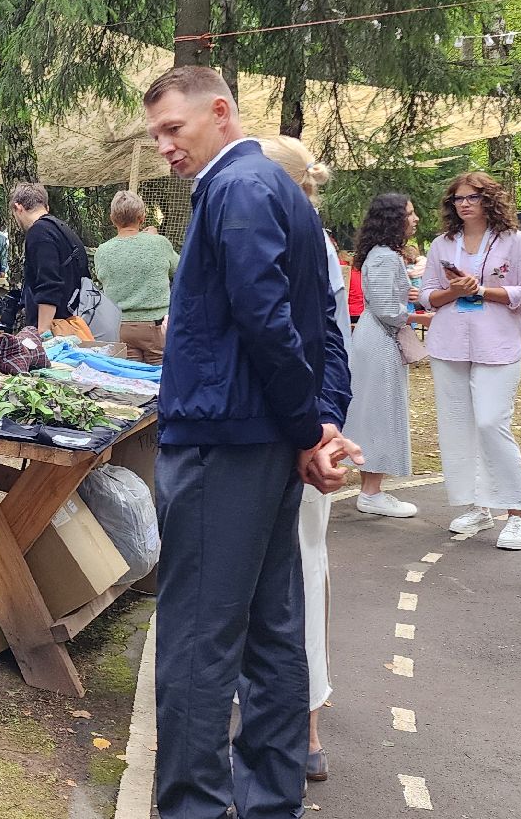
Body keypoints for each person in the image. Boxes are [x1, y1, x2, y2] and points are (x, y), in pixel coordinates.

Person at [141, 67, 356, 819]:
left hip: (225, 443)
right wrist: (319, 422)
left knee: (199, 638)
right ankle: (269, 799)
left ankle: (195, 806)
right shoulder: (280, 191)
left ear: (221, 112)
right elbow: (321, 323)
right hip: (258, 438)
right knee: (272, 630)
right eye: (157, 135)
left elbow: (272, 320)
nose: (165, 147)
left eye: (174, 128)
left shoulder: (235, 190)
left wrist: (309, 426)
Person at [255, 134, 353, 781]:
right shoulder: (305, 235)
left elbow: (317, 346)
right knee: (289, 570)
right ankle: (290, 711)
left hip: (292, 437)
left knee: (298, 568)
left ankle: (307, 720)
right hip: (295, 430)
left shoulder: (298, 239)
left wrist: (316, 429)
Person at [418, 172, 521, 550]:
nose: (465, 204)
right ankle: (477, 506)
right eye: (458, 199)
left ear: (490, 200)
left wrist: (483, 290)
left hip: (497, 345)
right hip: (449, 344)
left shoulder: (514, 241)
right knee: (458, 427)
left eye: (473, 197)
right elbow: (426, 297)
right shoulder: (443, 244)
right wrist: (450, 291)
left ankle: (518, 513)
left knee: (491, 423)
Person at [345, 193, 431, 518]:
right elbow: (385, 308)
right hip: (379, 341)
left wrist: (406, 294)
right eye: (409, 213)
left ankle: (373, 488)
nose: (415, 218)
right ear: (394, 219)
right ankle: (371, 492)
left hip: (377, 338)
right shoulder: (385, 257)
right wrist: (420, 317)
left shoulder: (382, 255)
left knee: (378, 411)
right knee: (380, 413)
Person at [93, 189, 178, 365]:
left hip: (121, 327)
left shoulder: (103, 251)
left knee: (131, 379)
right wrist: (155, 239)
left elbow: (103, 278)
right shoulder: (159, 244)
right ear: (142, 217)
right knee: (160, 379)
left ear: (112, 219)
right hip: (156, 328)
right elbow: (179, 269)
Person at [8, 183, 93, 341]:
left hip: (57, 329)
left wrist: (43, 331)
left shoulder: (38, 233)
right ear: (45, 206)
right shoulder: (62, 229)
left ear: (18, 207)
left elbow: (49, 283)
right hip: (74, 321)